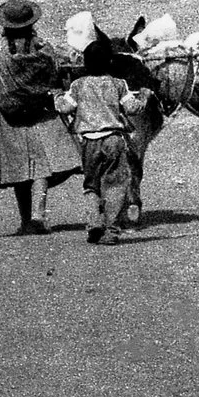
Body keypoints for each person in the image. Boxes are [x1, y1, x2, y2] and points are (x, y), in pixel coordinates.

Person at [0, 0, 79, 235]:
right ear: (32, 23)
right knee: (43, 167)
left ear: (5, 25)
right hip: (42, 112)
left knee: (20, 168)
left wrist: (9, 93)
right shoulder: (43, 49)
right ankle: (38, 215)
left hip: (9, 117)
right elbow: (55, 76)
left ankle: (26, 221)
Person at [56, 38, 153, 245]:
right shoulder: (119, 84)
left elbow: (65, 108)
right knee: (115, 185)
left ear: (84, 64)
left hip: (88, 143)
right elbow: (132, 109)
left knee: (91, 185)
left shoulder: (77, 85)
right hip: (114, 141)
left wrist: (56, 97)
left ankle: (94, 224)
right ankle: (111, 230)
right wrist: (144, 96)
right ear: (110, 63)